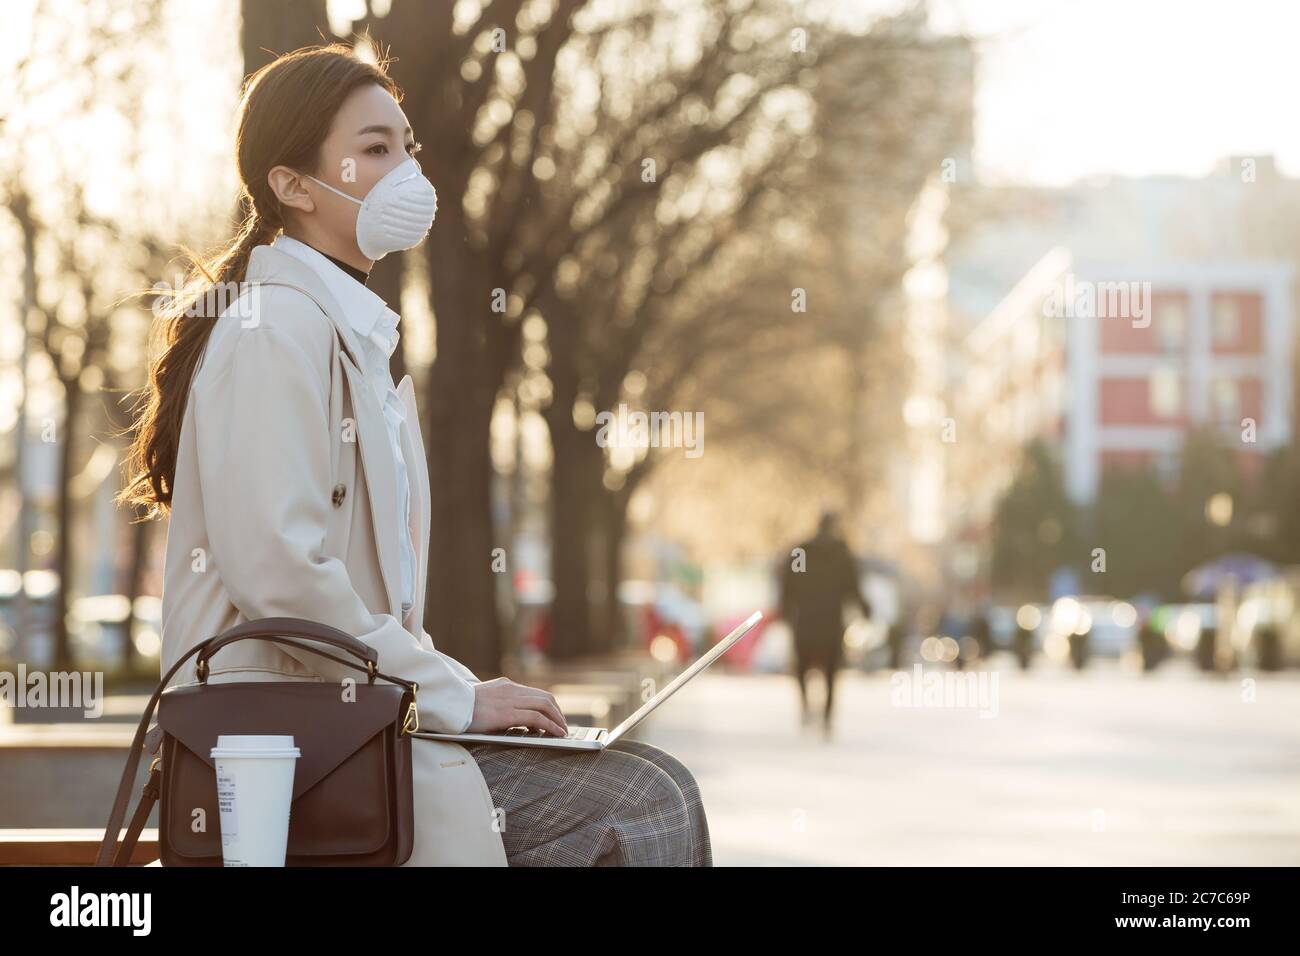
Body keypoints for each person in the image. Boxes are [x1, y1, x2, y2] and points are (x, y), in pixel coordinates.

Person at [119, 45, 708, 866]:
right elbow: (281, 574)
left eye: (406, 146)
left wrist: (452, 689)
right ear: (292, 185)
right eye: (373, 150)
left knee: (652, 784)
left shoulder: (343, 331)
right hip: (283, 754)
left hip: (351, 728)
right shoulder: (273, 331)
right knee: (642, 801)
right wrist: (457, 695)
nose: (406, 171)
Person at [778, 511, 871, 735]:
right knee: (831, 670)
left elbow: (789, 584)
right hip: (830, 621)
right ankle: (826, 716)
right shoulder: (840, 553)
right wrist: (865, 608)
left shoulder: (803, 552)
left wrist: (786, 609)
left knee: (803, 666)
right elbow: (852, 587)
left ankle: (807, 708)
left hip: (807, 620)